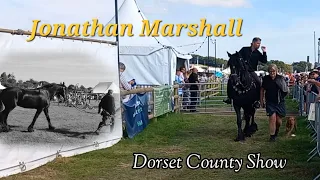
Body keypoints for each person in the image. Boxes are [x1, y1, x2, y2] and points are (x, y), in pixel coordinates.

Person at [224, 37, 268, 108]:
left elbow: (264, 61)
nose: (259, 45)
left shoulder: (258, 53)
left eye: (259, 44)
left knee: (259, 82)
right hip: (241, 70)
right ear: (253, 43)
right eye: (257, 43)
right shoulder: (244, 49)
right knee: (231, 80)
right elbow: (238, 56)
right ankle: (229, 97)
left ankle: (257, 100)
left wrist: (264, 52)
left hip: (251, 71)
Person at [260, 64, 288, 142]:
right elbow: (262, 90)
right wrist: (261, 100)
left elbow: (286, 89)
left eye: (273, 71)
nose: (272, 73)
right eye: (270, 71)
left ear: (276, 71)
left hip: (280, 102)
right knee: (272, 118)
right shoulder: (266, 79)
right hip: (270, 101)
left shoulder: (281, 78)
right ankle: (272, 136)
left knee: (278, 121)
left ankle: (276, 130)